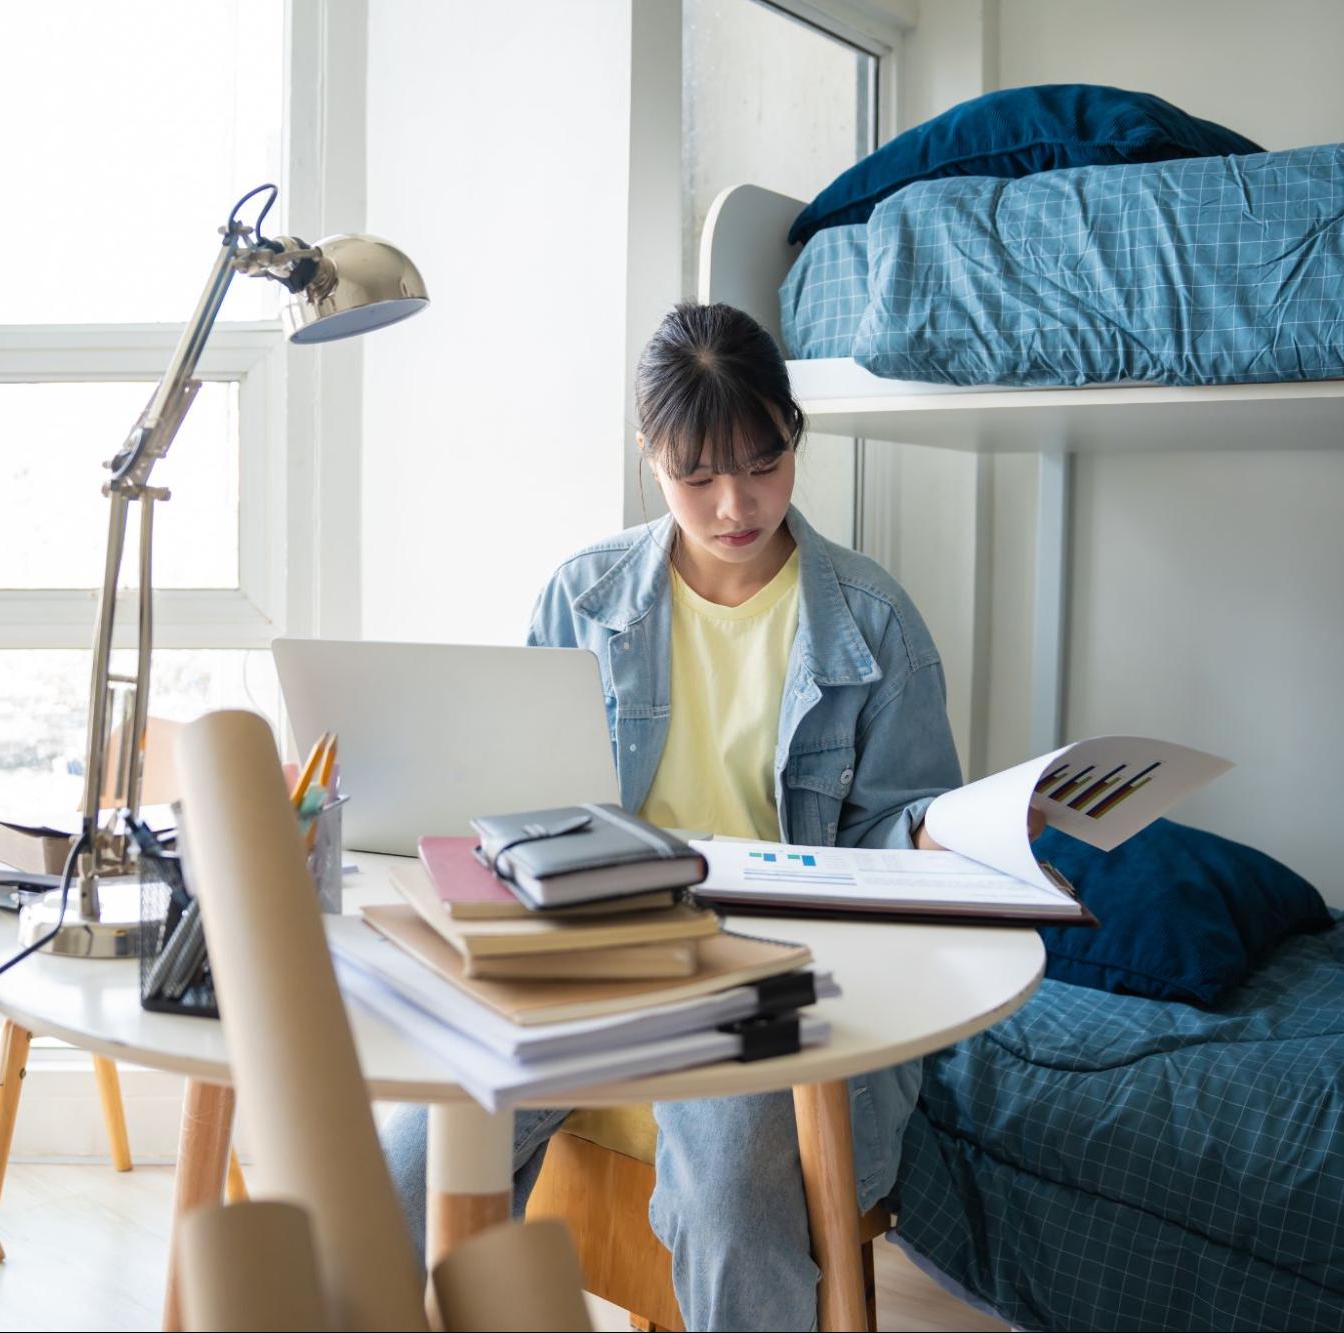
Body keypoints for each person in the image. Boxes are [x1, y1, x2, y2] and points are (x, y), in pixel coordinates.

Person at [382, 300, 968, 1330]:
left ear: (796, 436)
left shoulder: (874, 624)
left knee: (734, 1199)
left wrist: (933, 834)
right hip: (593, 960)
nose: (736, 503)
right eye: (696, 477)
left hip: (770, 976)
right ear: (648, 457)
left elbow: (893, 858)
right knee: (396, 1164)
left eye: (763, 464)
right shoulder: (582, 597)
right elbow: (518, 809)